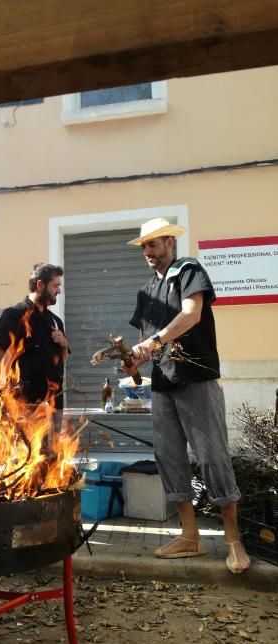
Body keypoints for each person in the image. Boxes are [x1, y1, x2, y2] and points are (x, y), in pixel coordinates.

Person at [122, 217, 250, 574]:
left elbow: (191, 315)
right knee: (168, 457)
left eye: (154, 244)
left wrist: (155, 341)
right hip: (163, 383)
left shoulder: (188, 270)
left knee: (213, 456)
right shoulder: (146, 290)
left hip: (198, 379)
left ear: (169, 243)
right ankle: (189, 536)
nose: (148, 252)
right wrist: (132, 365)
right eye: (144, 246)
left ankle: (232, 540)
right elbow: (145, 343)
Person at [0, 263, 69, 413]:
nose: (59, 290)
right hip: (22, 407)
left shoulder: (56, 322)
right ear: (40, 284)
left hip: (54, 406)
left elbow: (61, 362)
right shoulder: (13, 315)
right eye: (55, 285)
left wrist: (64, 345)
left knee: (57, 438)